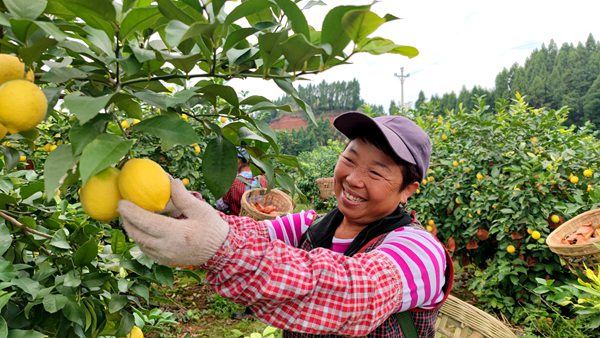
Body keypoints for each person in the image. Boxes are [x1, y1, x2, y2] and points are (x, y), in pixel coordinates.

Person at [118, 111, 454, 337]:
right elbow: (245, 233)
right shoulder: (313, 225)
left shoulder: (420, 251)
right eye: (349, 159)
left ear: (408, 190)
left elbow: (357, 292)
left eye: (376, 172)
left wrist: (220, 248)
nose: (353, 179)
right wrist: (180, 209)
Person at [215, 147, 268, 215]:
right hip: (257, 221)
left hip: (238, 222)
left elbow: (221, 206)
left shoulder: (232, 182)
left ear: (239, 161)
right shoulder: (263, 180)